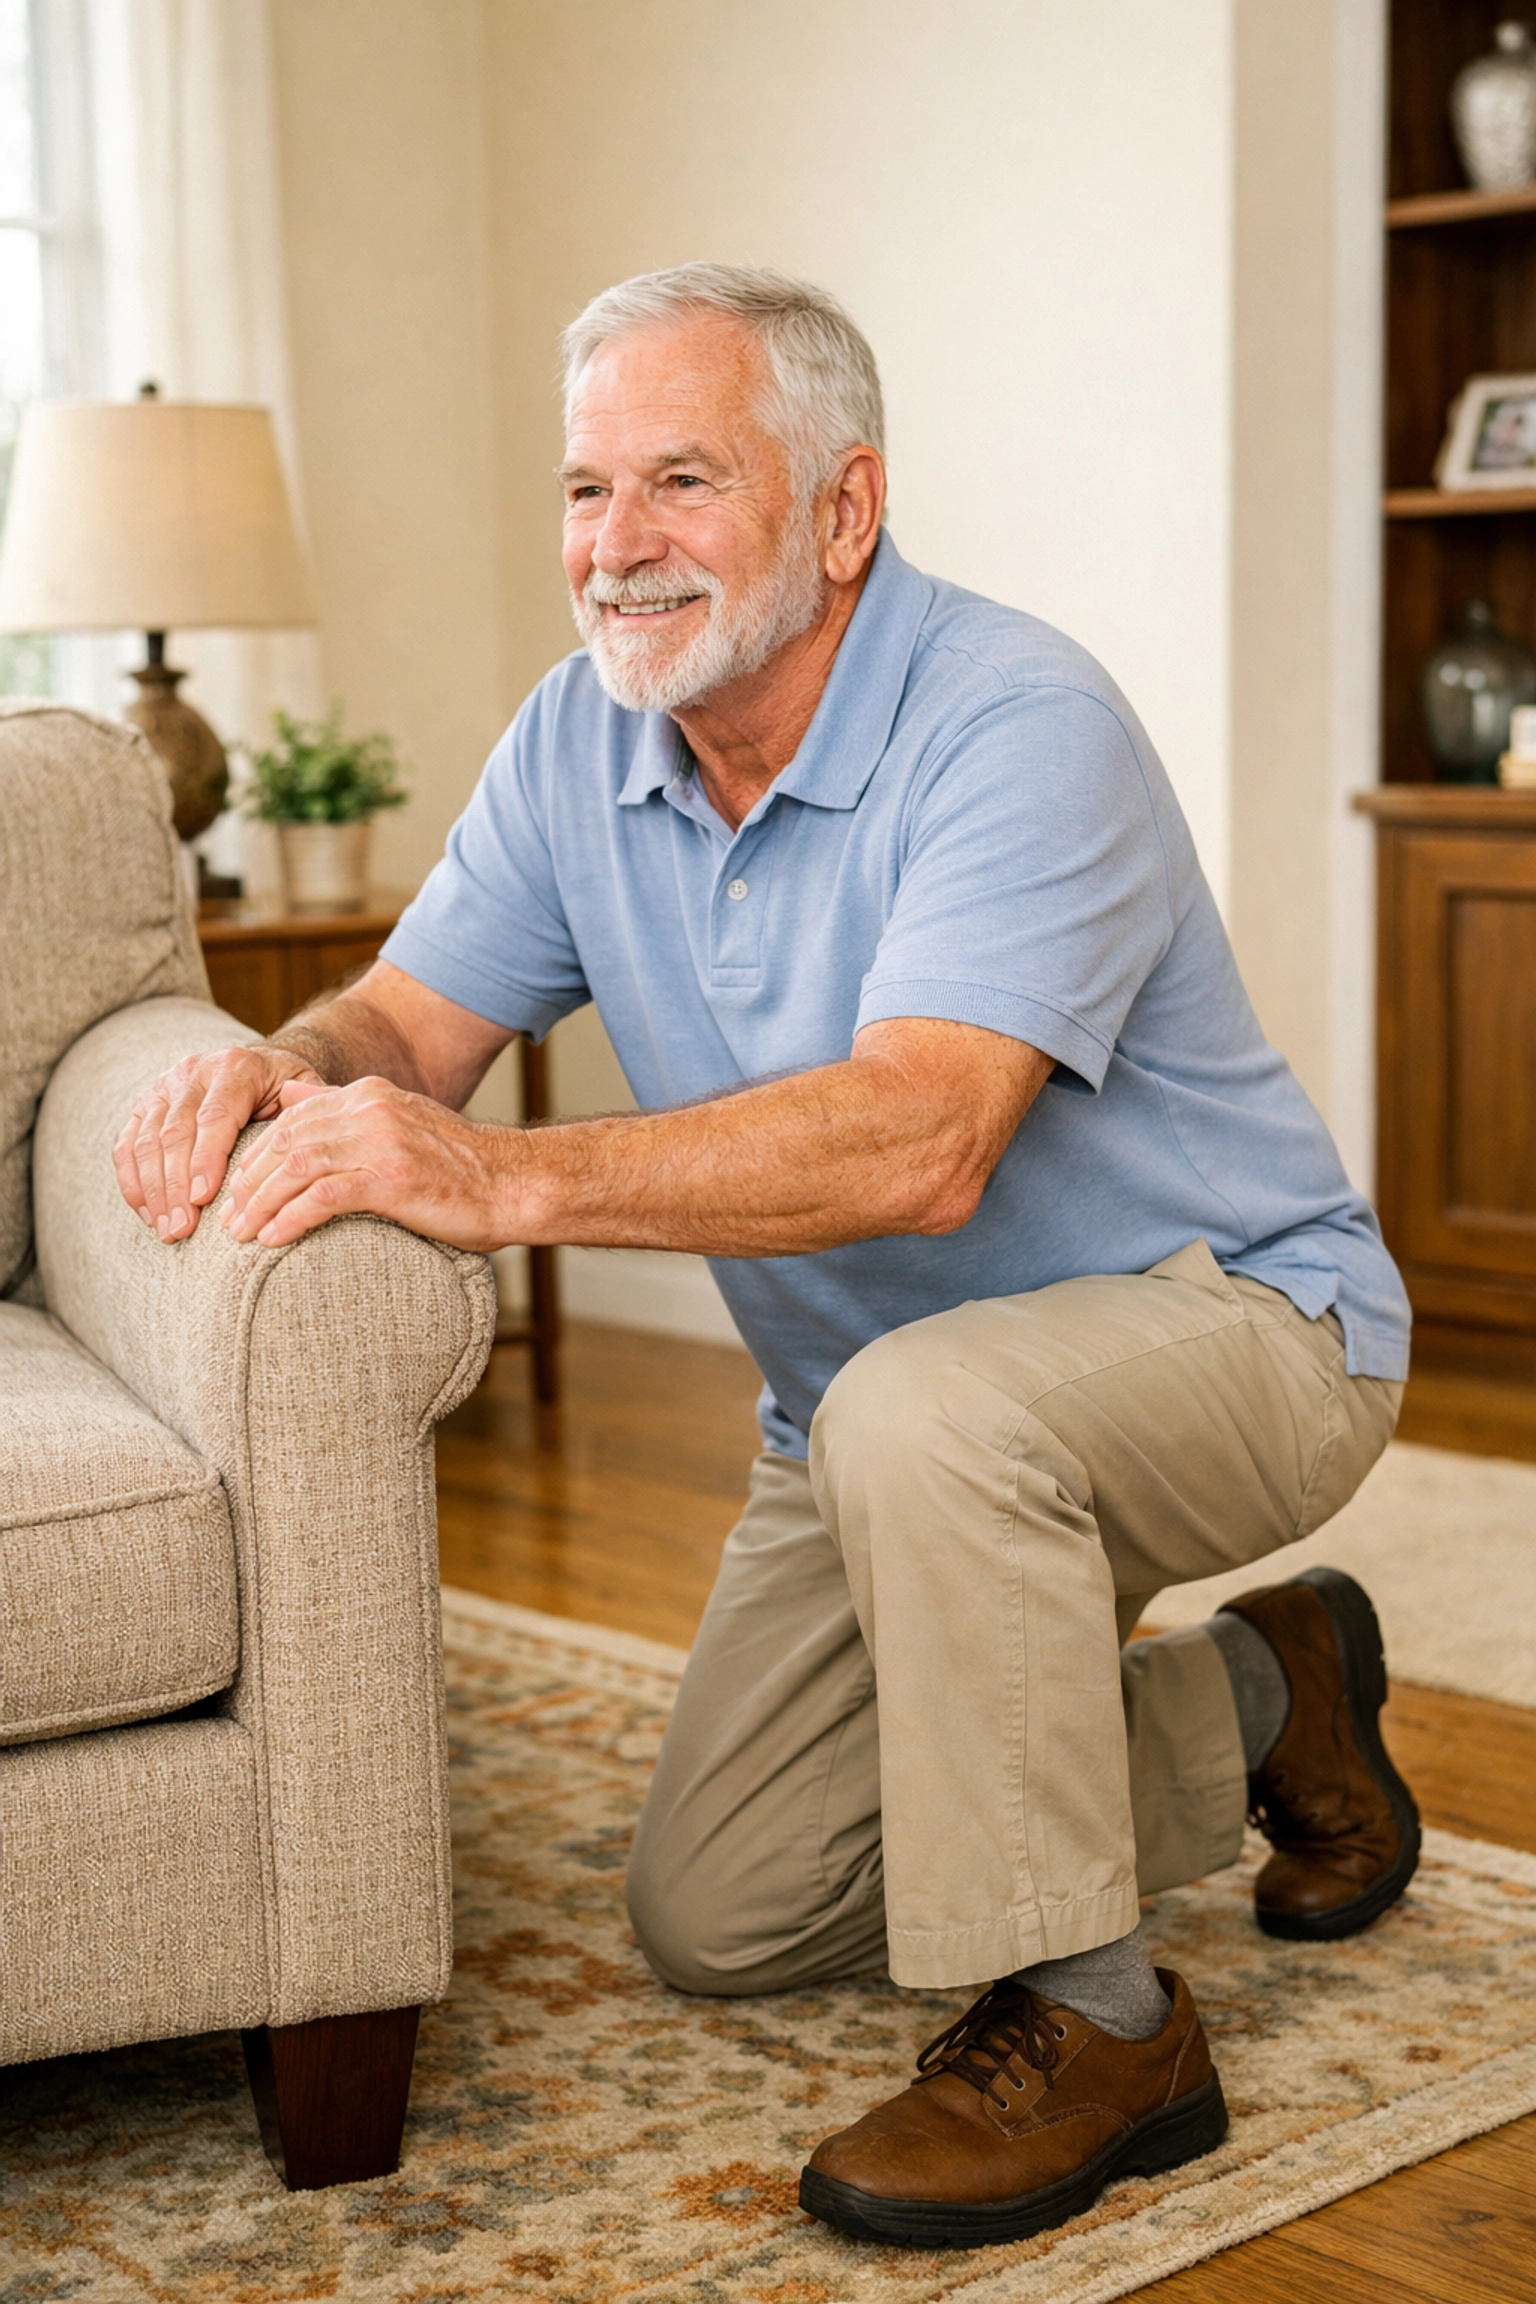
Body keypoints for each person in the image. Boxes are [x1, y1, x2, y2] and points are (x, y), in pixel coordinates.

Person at [116, 265, 1415, 2251]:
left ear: (842, 512)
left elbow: (921, 1135)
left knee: (924, 1413)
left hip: (1243, 1321)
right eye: (582, 490)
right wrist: (275, 1076)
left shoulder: (1014, 717)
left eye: (679, 482)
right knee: (729, 1906)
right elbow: (399, 1025)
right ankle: (1274, 1695)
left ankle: (1102, 2023)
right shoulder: (581, 743)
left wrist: (500, 1179)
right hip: (874, 1416)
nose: (614, 547)